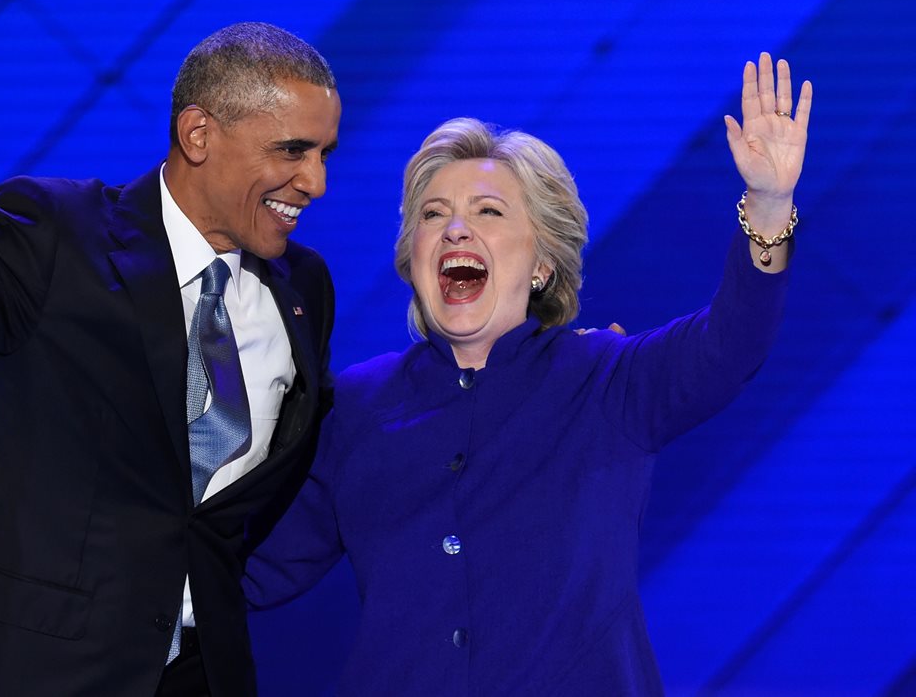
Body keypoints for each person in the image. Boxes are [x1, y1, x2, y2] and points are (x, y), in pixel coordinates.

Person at [0, 22, 341, 697]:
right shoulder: (59, 234)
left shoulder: (303, 289)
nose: (314, 181)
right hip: (35, 672)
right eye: (293, 150)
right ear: (198, 134)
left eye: (323, 154)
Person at [243, 53, 811, 695]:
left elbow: (729, 344)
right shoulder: (354, 408)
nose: (455, 227)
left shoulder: (608, 383)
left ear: (542, 264)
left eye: (488, 212)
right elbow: (250, 572)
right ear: (414, 258)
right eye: (433, 215)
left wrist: (768, 205)